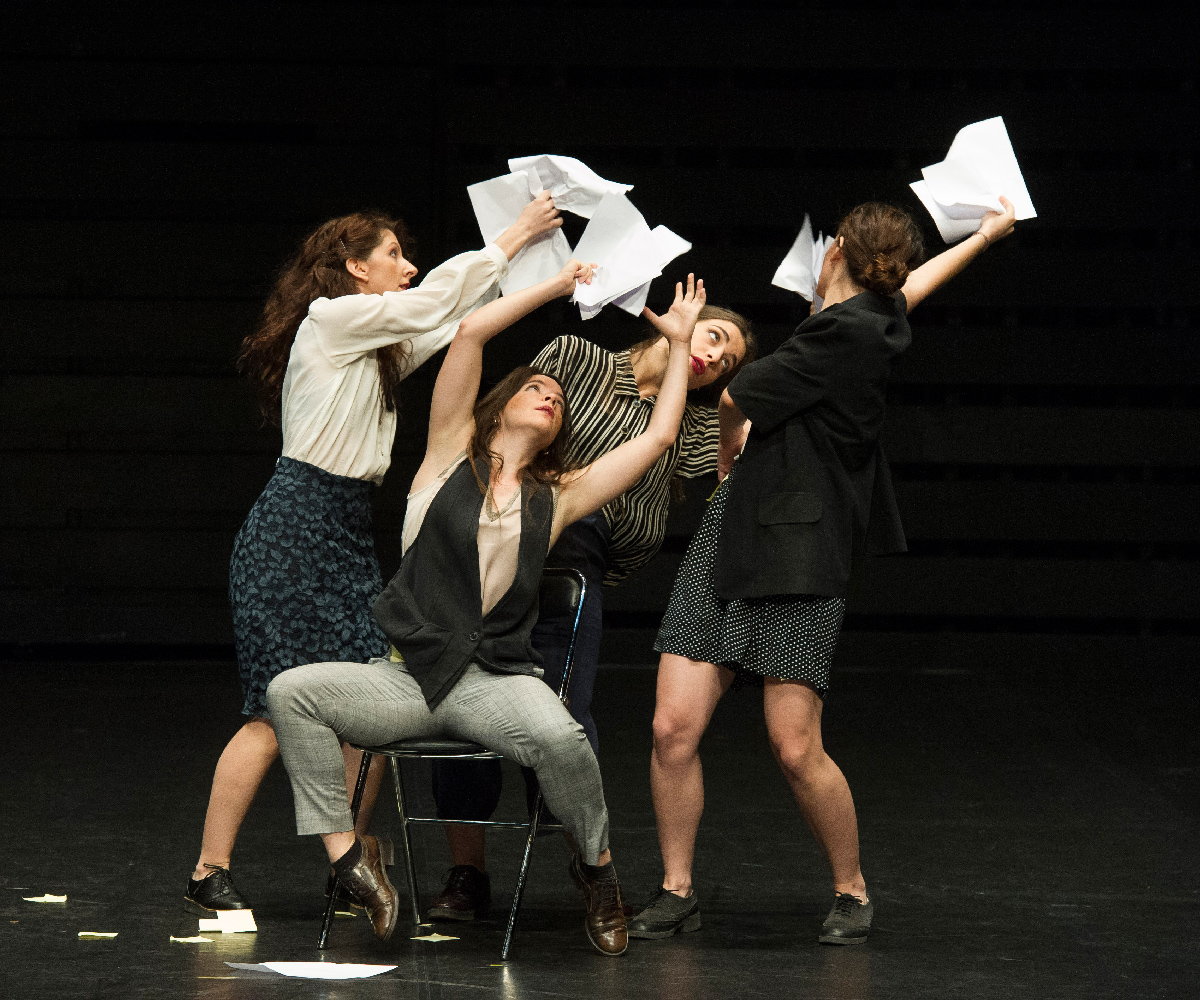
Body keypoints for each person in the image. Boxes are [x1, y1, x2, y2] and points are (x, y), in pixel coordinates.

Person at [265, 268, 710, 955]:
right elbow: (470, 330)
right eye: (534, 388)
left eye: (557, 398)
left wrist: (679, 346)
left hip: (495, 682)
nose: (548, 396)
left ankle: (598, 872)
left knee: (565, 739)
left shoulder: (557, 496)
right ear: (500, 408)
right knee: (290, 693)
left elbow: (656, 439)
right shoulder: (448, 455)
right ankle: (351, 861)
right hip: (410, 681)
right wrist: (557, 284)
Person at [632, 198, 1019, 946]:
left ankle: (852, 888)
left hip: (799, 547)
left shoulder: (848, 330)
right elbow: (914, 290)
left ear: (836, 248)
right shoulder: (869, 318)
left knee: (794, 743)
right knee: (671, 727)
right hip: (733, 537)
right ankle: (677, 889)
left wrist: (726, 457)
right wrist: (985, 236)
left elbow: (736, 396)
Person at [185, 194, 564, 915]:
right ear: (355, 267)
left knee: (372, 711)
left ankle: (350, 867)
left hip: (347, 530)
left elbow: (458, 323)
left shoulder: (377, 347)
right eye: (393, 255)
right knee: (271, 709)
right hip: (294, 529)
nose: (408, 266)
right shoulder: (331, 320)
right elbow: (434, 303)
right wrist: (515, 236)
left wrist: (549, 282)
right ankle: (210, 869)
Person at [426, 307, 757, 922]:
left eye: (726, 361)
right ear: (677, 321)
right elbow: (519, 414)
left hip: (583, 565)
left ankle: (590, 865)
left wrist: (739, 412)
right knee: (463, 707)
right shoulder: (580, 358)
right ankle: (467, 872)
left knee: (563, 717)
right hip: (516, 529)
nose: (713, 359)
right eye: (713, 337)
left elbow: (735, 445)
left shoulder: (691, 421)